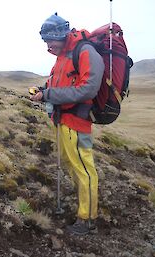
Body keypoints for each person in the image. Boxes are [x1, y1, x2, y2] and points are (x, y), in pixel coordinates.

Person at [30, 13, 105, 235]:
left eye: (50, 40)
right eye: (45, 41)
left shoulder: (85, 52)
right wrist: (43, 91)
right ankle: (83, 202)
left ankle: (87, 219)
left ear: (61, 35)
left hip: (77, 122)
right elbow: (59, 82)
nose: (48, 45)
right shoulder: (63, 54)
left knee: (84, 169)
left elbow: (88, 89)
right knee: (73, 166)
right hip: (62, 120)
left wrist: (49, 95)